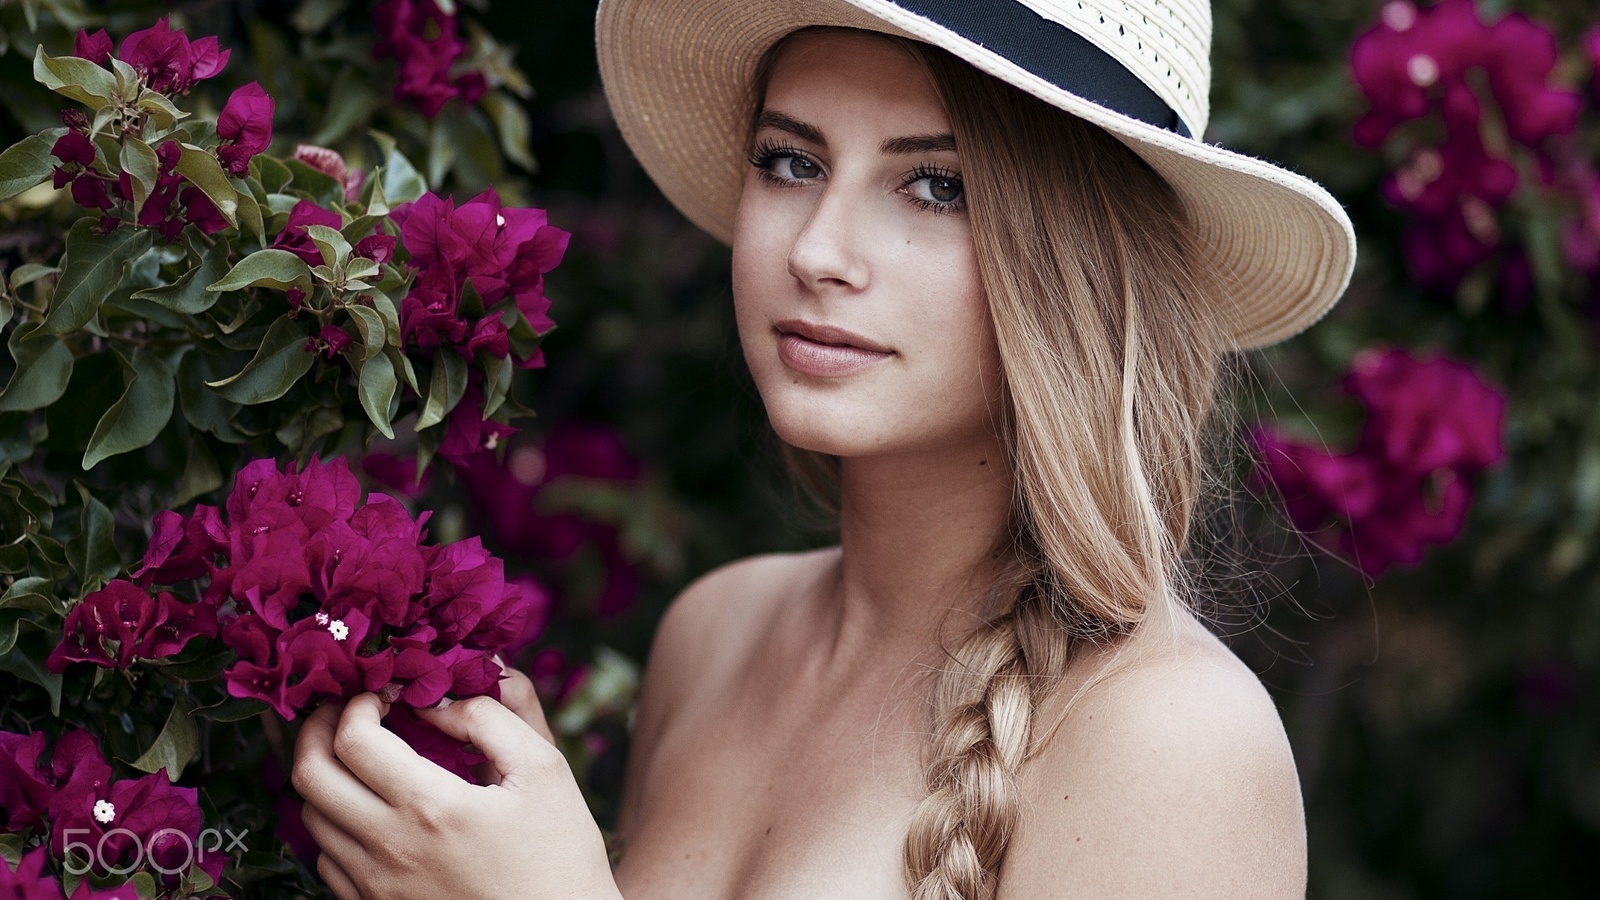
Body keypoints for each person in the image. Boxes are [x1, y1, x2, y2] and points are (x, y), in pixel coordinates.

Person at [291, 1, 1356, 898]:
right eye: (791, 161)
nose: (817, 251)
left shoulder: (1172, 742)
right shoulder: (716, 636)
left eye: (935, 185)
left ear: (1079, 264)